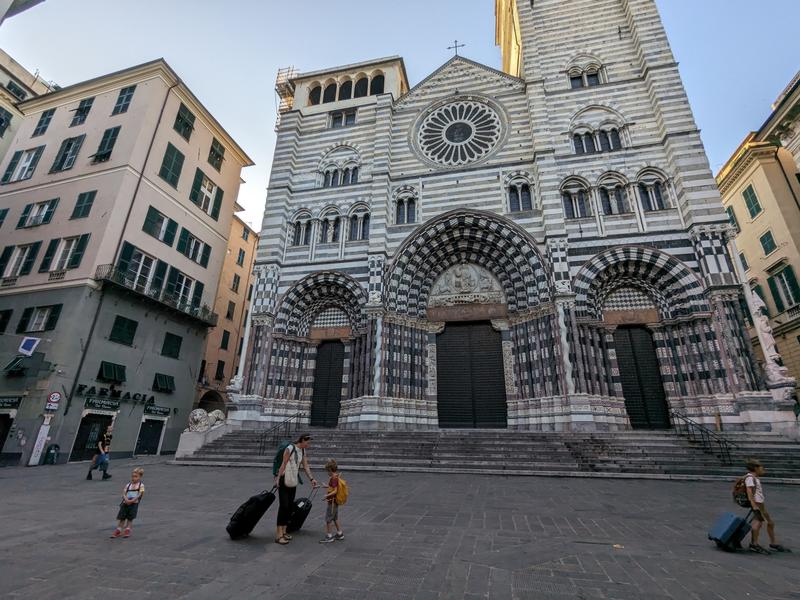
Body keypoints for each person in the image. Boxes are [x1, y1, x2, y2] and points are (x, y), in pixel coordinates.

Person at [274, 433, 317, 545]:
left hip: (293, 480)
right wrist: (277, 479)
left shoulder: (302, 451)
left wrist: (312, 479)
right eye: (307, 442)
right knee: (283, 506)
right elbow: (283, 464)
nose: (308, 445)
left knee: (289, 506)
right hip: (284, 480)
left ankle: (284, 531)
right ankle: (278, 535)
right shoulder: (290, 448)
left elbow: (306, 466)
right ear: (302, 440)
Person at [745, 459, 791, 554]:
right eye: (761, 468)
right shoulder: (750, 478)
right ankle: (754, 544)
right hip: (756, 504)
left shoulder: (754, 478)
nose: (763, 469)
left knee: (770, 522)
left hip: (760, 504)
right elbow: (749, 492)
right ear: (756, 468)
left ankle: (772, 543)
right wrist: (754, 505)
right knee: (758, 523)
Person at [110, 467, 145, 538]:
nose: (133, 478)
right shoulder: (128, 485)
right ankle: (118, 530)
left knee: (130, 518)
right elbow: (124, 493)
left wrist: (132, 500)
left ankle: (127, 529)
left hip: (134, 503)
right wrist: (126, 500)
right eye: (132, 476)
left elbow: (140, 494)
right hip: (125, 503)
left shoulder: (141, 485)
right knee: (122, 517)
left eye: (136, 476)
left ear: (140, 477)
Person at [319, 459, 344, 544]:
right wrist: (326, 486)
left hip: (332, 502)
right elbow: (333, 487)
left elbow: (335, 491)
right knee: (335, 518)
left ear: (330, 470)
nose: (327, 473)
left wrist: (326, 496)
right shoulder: (336, 476)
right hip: (335, 502)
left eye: (327, 471)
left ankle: (329, 536)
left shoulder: (333, 478)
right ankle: (340, 533)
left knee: (328, 519)